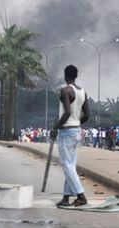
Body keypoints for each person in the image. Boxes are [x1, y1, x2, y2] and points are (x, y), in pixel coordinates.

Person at [51, 65, 89, 207]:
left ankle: (81, 195)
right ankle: (66, 198)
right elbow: (87, 115)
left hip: (67, 132)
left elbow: (66, 112)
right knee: (70, 165)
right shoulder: (83, 92)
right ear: (76, 76)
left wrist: (56, 128)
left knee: (67, 165)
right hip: (76, 131)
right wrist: (77, 123)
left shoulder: (66, 90)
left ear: (65, 75)